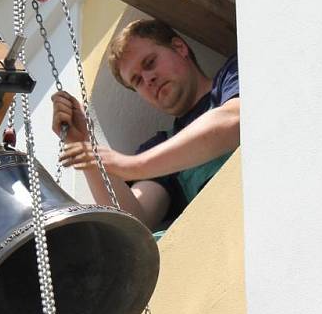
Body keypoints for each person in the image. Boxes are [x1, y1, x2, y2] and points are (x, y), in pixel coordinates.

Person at [51, 18, 240, 234]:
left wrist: (131, 165)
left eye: (150, 63)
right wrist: (83, 145)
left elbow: (233, 121)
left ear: (179, 48)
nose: (148, 79)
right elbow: (133, 224)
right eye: (137, 81)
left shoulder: (233, 74)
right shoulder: (158, 145)